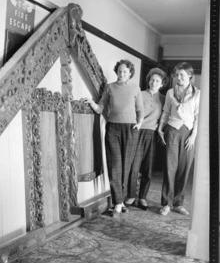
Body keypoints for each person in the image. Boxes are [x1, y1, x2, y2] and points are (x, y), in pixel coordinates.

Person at [83, 59, 144, 219]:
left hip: (131, 129)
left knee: (126, 166)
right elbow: (100, 108)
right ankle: (118, 203)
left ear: (130, 73)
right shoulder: (110, 87)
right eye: (120, 71)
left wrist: (140, 123)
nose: (122, 73)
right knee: (115, 165)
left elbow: (140, 109)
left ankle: (120, 201)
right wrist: (91, 103)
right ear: (117, 71)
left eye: (125, 71)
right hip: (113, 129)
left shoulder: (135, 88)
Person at [158, 62, 200, 216]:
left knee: (184, 168)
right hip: (172, 131)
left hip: (188, 133)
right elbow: (165, 112)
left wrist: (193, 136)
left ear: (189, 75)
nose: (178, 78)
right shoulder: (170, 92)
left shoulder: (197, 93)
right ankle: (166, 204)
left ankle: (178, 203)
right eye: (176, 75)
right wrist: (160, 128)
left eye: (182, 75)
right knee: (170, 167)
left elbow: (197, 117)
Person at [125, 68, 168, 210]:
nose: (154, 83)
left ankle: (142, 197)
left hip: (153, 135)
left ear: (161, 84)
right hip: (138, 131)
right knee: (134, 166)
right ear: (148, 81)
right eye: (152, 80)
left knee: (148, 168)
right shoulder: (140, 94)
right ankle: (131, 195)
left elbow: (165, 117)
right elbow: (132, 111)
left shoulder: (163, 99)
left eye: (157, 81)